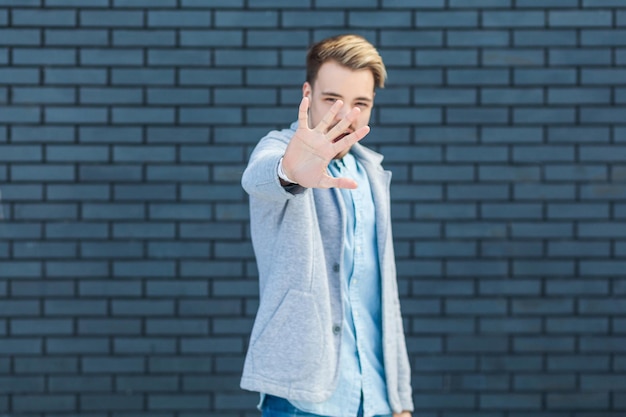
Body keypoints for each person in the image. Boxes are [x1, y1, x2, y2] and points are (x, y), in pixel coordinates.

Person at [240, 34, 413, 417]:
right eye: (331, 99)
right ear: (307, 93)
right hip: (304, 397)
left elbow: (380, 295)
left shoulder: (371, 172)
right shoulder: (277, 149)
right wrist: (292, 171)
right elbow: (261, 177)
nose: (345, 115)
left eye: (360, 103)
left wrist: (400, 396)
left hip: (376, 399)